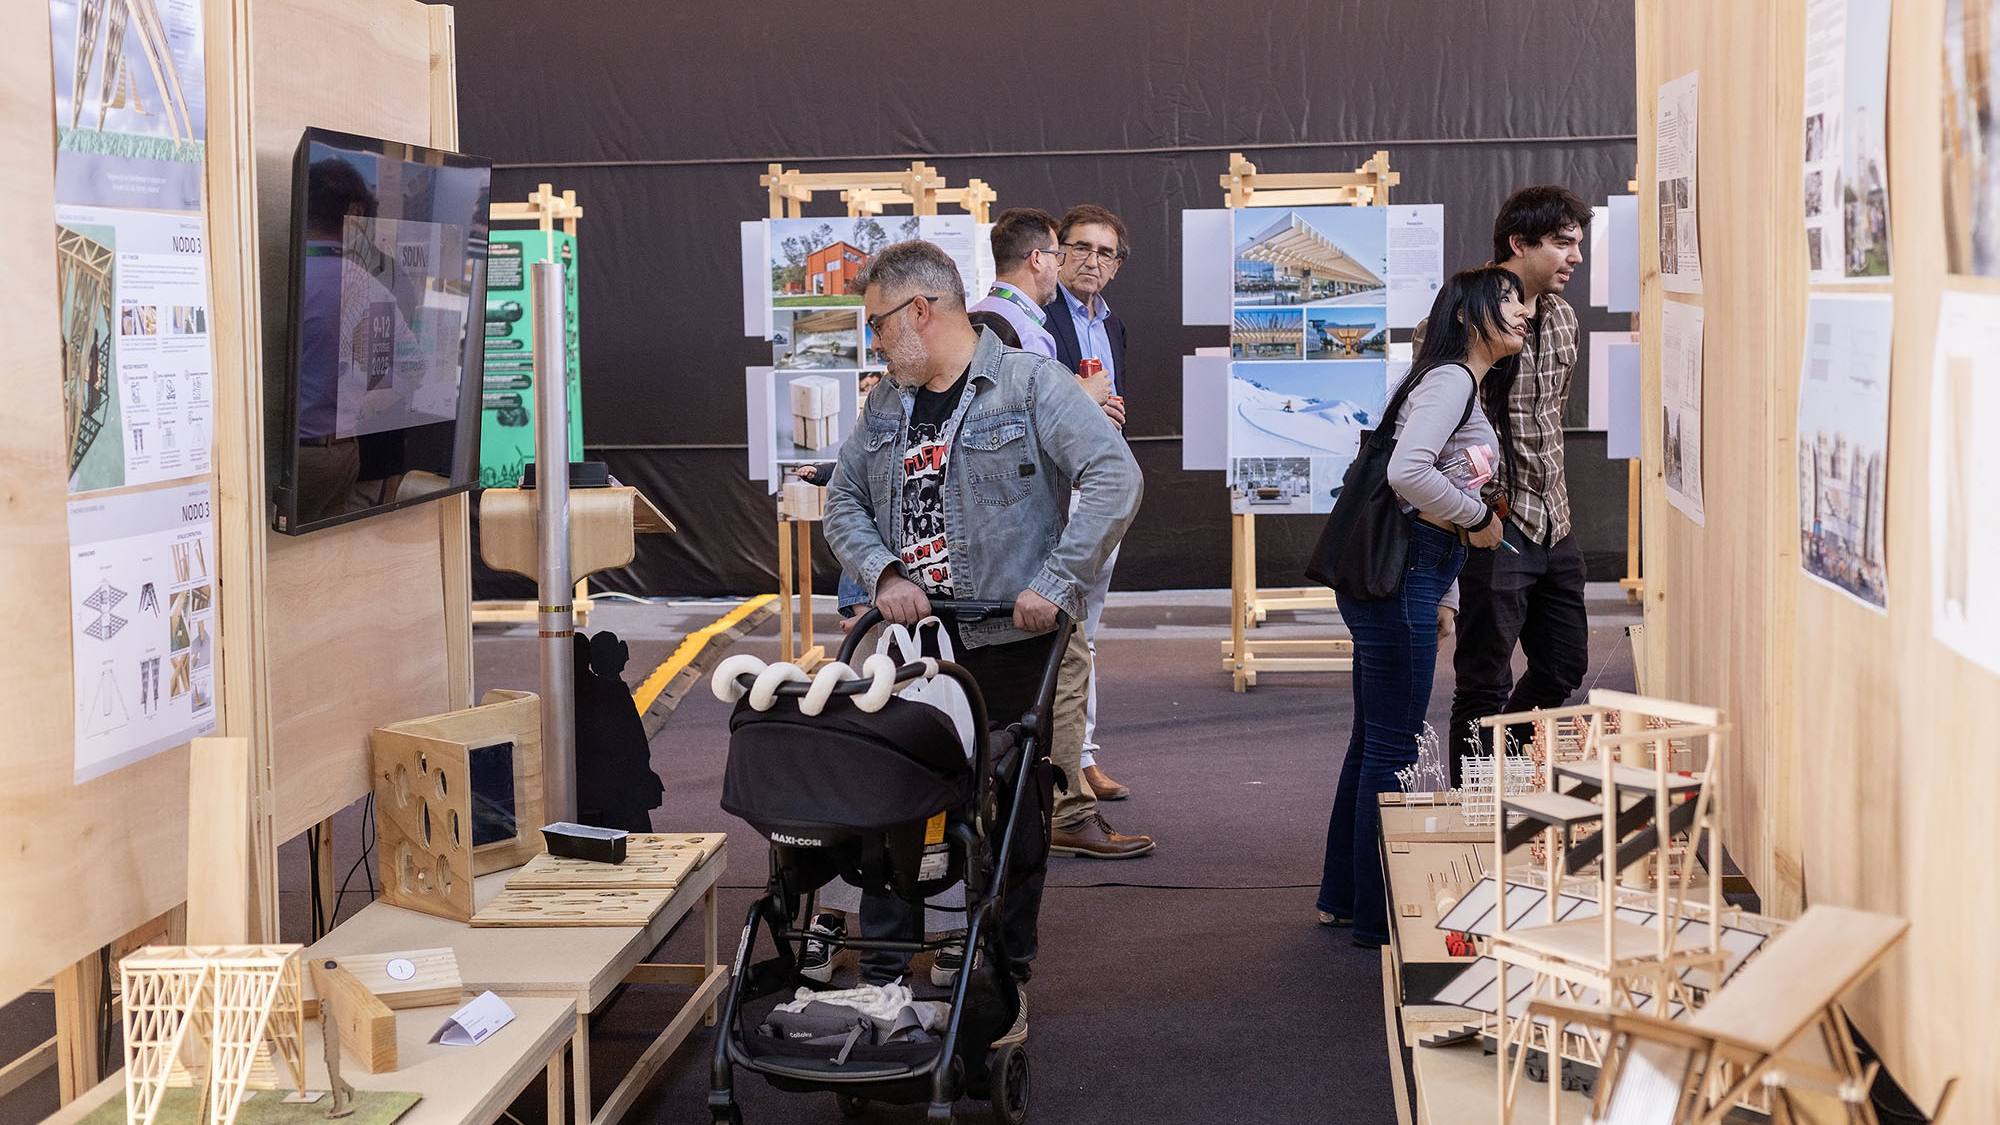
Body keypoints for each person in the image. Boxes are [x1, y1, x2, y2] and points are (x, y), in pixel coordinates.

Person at [819, 238, 1143, 984]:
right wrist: (885, 570)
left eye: (876, 323)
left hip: (1010, 638)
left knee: (1010, 809)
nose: (872, 339)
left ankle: (1001, 969)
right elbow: (843, 502)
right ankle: (890, 969)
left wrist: (1057, 583)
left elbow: (1114, 477)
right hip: (912, 647)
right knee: (893, 793)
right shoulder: (886, 403)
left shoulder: (1030, 386)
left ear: (920, 310)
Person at [1320, 266, 1526, 947]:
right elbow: (1410, 473)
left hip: (1411, 575)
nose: (1522, 312)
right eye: (1507, 302)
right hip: (1402, 574)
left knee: (1374, 738)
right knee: (1393, 742)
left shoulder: (1449, 379)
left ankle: (1347, 898)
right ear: (1469, 317)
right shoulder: (1451, 381)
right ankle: (1381, 918)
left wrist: (1446, 588)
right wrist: (1476, 519)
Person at [1439, 187, 1591, 780]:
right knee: (1483, 682)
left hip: (1556, 523)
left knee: (1562, 666)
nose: (1575, 255)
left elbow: (1551, 415)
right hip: (1493, 526)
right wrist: (1475, 516)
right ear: (1518, 243)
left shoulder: (1562, 317)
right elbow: (1438, 417)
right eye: (1561, 243)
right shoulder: (1465, 312)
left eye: (1578, 242)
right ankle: (1473, 814)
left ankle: (1500, 768)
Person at [1040, 203, 1138, 812]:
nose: (1091, 261)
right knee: (1065, 631)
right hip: (1057, 489)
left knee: (1089, 628)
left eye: (1105, 252)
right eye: (1080, 247)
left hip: (1101, 488)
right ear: (1056, 253)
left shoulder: (1115, 326)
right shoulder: (1039, 321)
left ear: (1117, 265)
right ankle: (1064, 763)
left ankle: (1083, 753)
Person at [968, 208, 1064, 358]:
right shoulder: (1031, 337)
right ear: (1037, 259)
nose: (1059, 268)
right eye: (1056, 255)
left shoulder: (968, 318)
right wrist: (1073, 383)